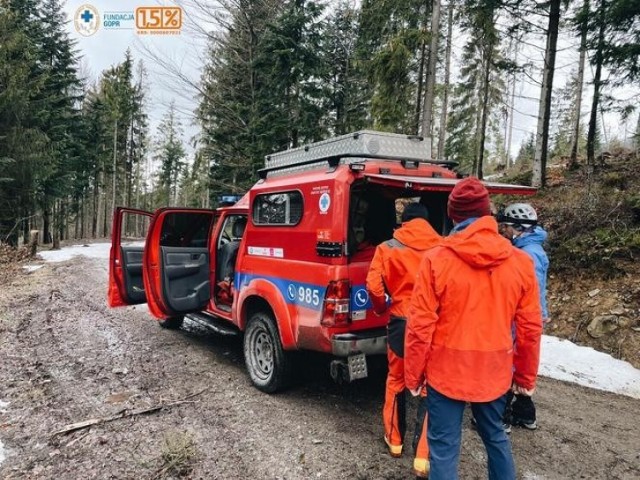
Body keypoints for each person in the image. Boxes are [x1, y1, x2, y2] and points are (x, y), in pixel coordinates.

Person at [405, 177, 543, 480]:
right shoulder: (521, 263)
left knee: (443, 447)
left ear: (453, 216)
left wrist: (413, 374)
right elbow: (531, 327)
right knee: (495, 436)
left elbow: (419, 325)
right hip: (495, 371)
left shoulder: (436, 260)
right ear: (487, 214)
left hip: (446, 371)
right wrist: (524, 376)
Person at [365, 202, 441, 478]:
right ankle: (422, 458)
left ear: (404, 221)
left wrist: (381, 307)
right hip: (433, 326)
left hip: (400, 323)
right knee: (430, 388)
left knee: (396, 381)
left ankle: (394, 442)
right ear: (428, 221)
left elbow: (373, 286)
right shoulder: (443, 248)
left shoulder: (387, 247)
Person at [499, 203, 550, 431]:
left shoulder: (526, 255)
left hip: (522, 318)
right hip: (530, 317)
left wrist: (535, 316)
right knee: (521, 362)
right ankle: (524, 414)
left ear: (518, 227)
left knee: (510, 363)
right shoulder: (534, 249)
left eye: (507, 227)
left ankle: (501, 417)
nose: (505, 231)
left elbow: (532, 291)